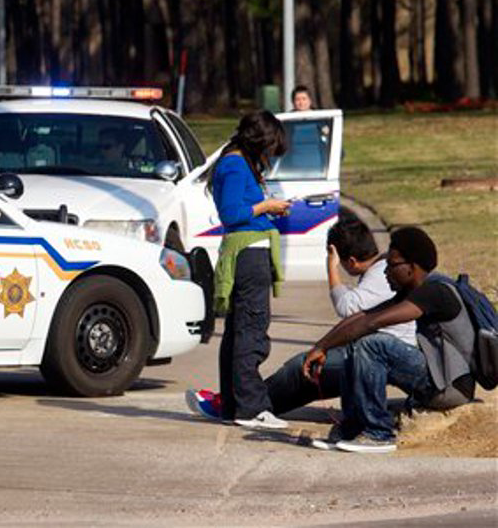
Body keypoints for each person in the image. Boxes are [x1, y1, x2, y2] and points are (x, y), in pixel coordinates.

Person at [187, 217, 417, 418]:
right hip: (379, 349)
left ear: (350, 261)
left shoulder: (378, 273)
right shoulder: (378, 271)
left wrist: (331, 268)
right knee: (308, 366)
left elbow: (347, 307)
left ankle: (247, 406)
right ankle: (242, 402)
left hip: (385, 354)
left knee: (301, 369)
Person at [301, 226, 476, 453]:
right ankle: (352, 430)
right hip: (436, 379)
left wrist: (323, 346)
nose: (385, 273)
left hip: (450, 387)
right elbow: (362, 317)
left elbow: (373, 323)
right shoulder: (414, 291)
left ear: (411, 268)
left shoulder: (435, 292)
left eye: (391, 266)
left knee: (373, 344)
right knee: (357, 343)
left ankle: (378, 433)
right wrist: (321, 346)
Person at [186, 110, 291, 430]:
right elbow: (232, 213)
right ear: (260, 140)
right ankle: (251, 408)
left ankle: (234, 406)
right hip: (248, 255)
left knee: (238, 333)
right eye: (271, 147)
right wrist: (267, 206)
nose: (271, 155)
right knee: (251, 332)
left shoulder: (236, 162)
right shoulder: (234, 163)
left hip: (248, 253)